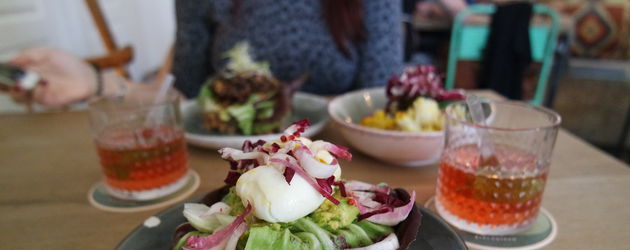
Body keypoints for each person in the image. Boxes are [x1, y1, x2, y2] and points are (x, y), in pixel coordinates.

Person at [5, 0, 403, 107]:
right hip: (226, 164)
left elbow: (374, 106)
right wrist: (93, 82)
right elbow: (183, 97)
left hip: (341, 168)